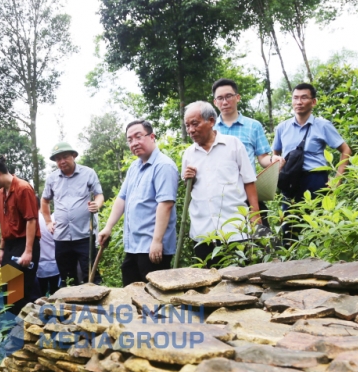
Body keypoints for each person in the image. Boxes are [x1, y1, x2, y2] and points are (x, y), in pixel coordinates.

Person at [97, 120, 179, 286]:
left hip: (152, 248)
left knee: (155, 300)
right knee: (131, 292)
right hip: (134, 246)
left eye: (138, 137)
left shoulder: (163, 166)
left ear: (152, 137)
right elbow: (122, 198)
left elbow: (166, 204)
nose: (134, 143)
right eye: (130, 140)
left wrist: (157, 242)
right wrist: (108, 226)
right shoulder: (134, 167)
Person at [181, 101, 261, 268]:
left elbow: (249, 181)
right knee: (209, 286)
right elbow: (191, 188)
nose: (191, 130)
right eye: (187, 125)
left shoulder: (233, 145)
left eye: (195, 124)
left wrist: (255, 215)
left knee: (241, 282)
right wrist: (190, 178)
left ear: (211, 121)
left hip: (235, 231)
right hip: (203, 233)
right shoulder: (189, 154)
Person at [273, 83, 353, 240]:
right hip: (290, 182)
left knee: (318, 227)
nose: (299, 102)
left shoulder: (323, 126)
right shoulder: (283, 127)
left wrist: (337, 179)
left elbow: (346, 150)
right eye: (295, 98)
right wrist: (278, 168)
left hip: (315, 180)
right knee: (289, 230)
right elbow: (275, 153)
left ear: (313, 102)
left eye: (304, 97)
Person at [0, 157, 42, 313]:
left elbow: (31, 220)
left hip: (25, 243)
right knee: (8, 290)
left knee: (21, 290)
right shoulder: (1, 194)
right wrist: (2, 249)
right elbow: (4, 223)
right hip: (10, 245)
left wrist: (28, 251)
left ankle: (27, 329)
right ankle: (12, 330)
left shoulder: (23, 188)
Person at [41, 142, 104, 285]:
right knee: (67, 278)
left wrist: (97, 204)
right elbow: (44, 201)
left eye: (65, 157)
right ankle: (70, 306)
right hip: (61, 237)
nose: (62, 161)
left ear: (74, 156)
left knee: (91, 275)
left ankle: (95, 305)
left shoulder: (88, 173)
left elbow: (99, 195)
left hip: (84, 235)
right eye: (58, 159)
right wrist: (48, 222)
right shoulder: (52, 178)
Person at [212, 78, 283, 170]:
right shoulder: (209, 128)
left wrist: (272, 160)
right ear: (215, 102)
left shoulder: (254, 126)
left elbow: (263, 158)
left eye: (228, 96)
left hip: (246, 183)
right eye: (220, 98)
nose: (225, 102)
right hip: (217, 182)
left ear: (237, 97)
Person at [37, 199, 60, 295]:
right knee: (56, 295)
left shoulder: (33, 221)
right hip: (55, 265)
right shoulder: (54, 220)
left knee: (40, 296)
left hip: (40, 267)